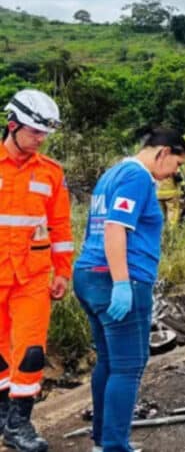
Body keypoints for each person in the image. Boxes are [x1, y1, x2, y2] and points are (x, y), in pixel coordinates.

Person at [73, 127, 185, 452]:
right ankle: (114, 446)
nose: (174, 174)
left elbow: (93, 227)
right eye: (177, 165)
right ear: (163, 152)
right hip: (118, 279)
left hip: (89, 275)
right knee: (129, 365)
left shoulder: (112, 173)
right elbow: (114, 228)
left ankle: (104, 440)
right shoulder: (137, 178)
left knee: (109, 361)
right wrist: (122, 283)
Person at [0, 90, 72, 452]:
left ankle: (19, 425)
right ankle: (2, 413)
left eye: (45, 133)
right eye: (34, 132)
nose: (41, 140)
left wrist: (63, 271)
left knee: (30, 352)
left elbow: (60, 226)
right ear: (12, 126)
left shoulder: (50, 173)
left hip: (30, 276)